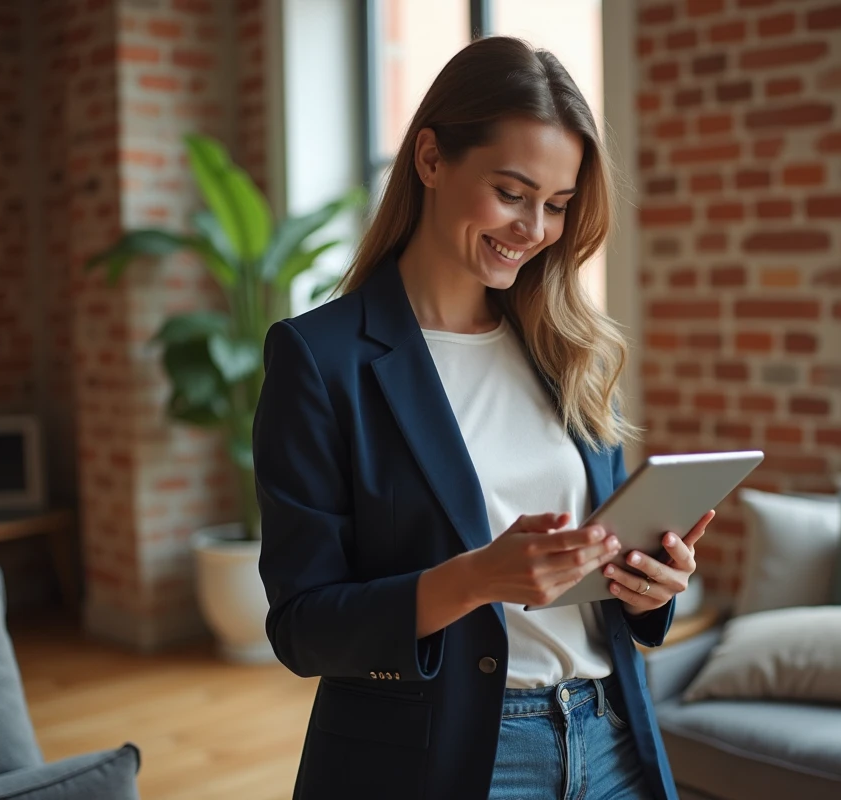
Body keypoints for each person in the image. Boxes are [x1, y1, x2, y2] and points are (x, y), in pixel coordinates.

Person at [253, 35, 714, 800]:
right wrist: (473, 580)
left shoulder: (573, 350)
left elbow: (602, 563)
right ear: (431, 160)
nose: (534, 228)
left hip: (610, 740)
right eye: (511, 192)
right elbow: (303, 627)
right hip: (450, 760)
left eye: (559, 205)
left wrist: (653, 587)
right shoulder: (320, 358)